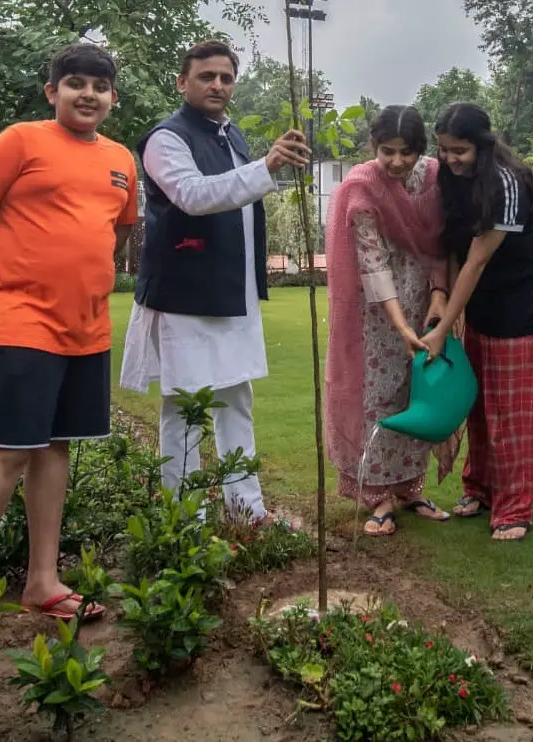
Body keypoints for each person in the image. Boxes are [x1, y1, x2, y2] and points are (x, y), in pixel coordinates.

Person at [0, 42, 138, 666]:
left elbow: (119, 230)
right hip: (23, 323)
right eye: (74, 83)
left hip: (87, 329)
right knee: (10, 449)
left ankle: (41, 582)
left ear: (112, 98)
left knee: (55, 446)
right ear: (52, 92)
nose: (87, 95)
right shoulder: (19, 141)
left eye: (99, 87)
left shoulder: (121, 160)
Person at [119, 41, 309, 524]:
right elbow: (193, 196)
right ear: (183, 82)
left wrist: (261, 163)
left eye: (225, 77)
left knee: (235, 400)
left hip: (232, 290)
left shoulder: (231, 135)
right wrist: (265, 166)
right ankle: (184, 521)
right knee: (185, 406)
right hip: (185, 293)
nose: (217, 85)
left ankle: (246, 508)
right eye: (206, 76)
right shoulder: (166, 138)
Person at [420, 103, 533, 542]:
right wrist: (441, 299)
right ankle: (479, 488)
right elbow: (454, 246)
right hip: (479, 298)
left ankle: (516, 506)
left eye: (459, 150)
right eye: (443, 150)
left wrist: (443, 330)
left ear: (482, 145)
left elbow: (478, 259)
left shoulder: (507, 183)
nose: (450, 159)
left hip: (520, 300)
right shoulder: (452, 177)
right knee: (476, 402)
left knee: (512, 411)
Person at [324, 104, 457, 537]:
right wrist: (400, 328)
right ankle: (378, 495)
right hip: (377, 312)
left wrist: (439, 295)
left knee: (420, 389)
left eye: (407, 152)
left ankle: (409, 489)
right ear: (372, 147)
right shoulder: (362, 187)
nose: (397, 161)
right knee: (380, 394)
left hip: (428, 300)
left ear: (421, 150)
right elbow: (373, 264)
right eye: (387, 151)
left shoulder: (434, 178)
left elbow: (443, 243)